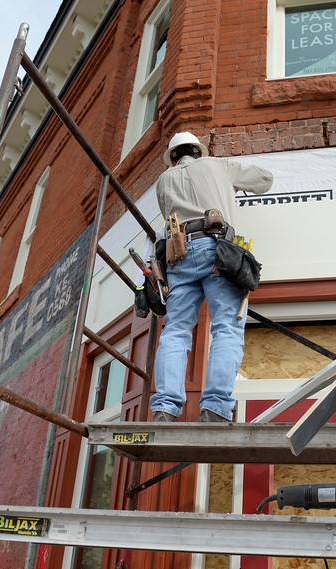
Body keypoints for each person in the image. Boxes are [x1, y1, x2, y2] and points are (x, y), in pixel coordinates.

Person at [144, 131, 273, 423]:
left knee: (175, 331)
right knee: (226, 327)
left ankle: (165, 408)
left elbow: (170, 213)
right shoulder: (217, 166)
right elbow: (265, 180)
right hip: (217, 250)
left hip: (178, 254)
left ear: (173, 158)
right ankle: (214, 408)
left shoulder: (164, 180)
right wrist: (226, 188)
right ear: (199, 152)